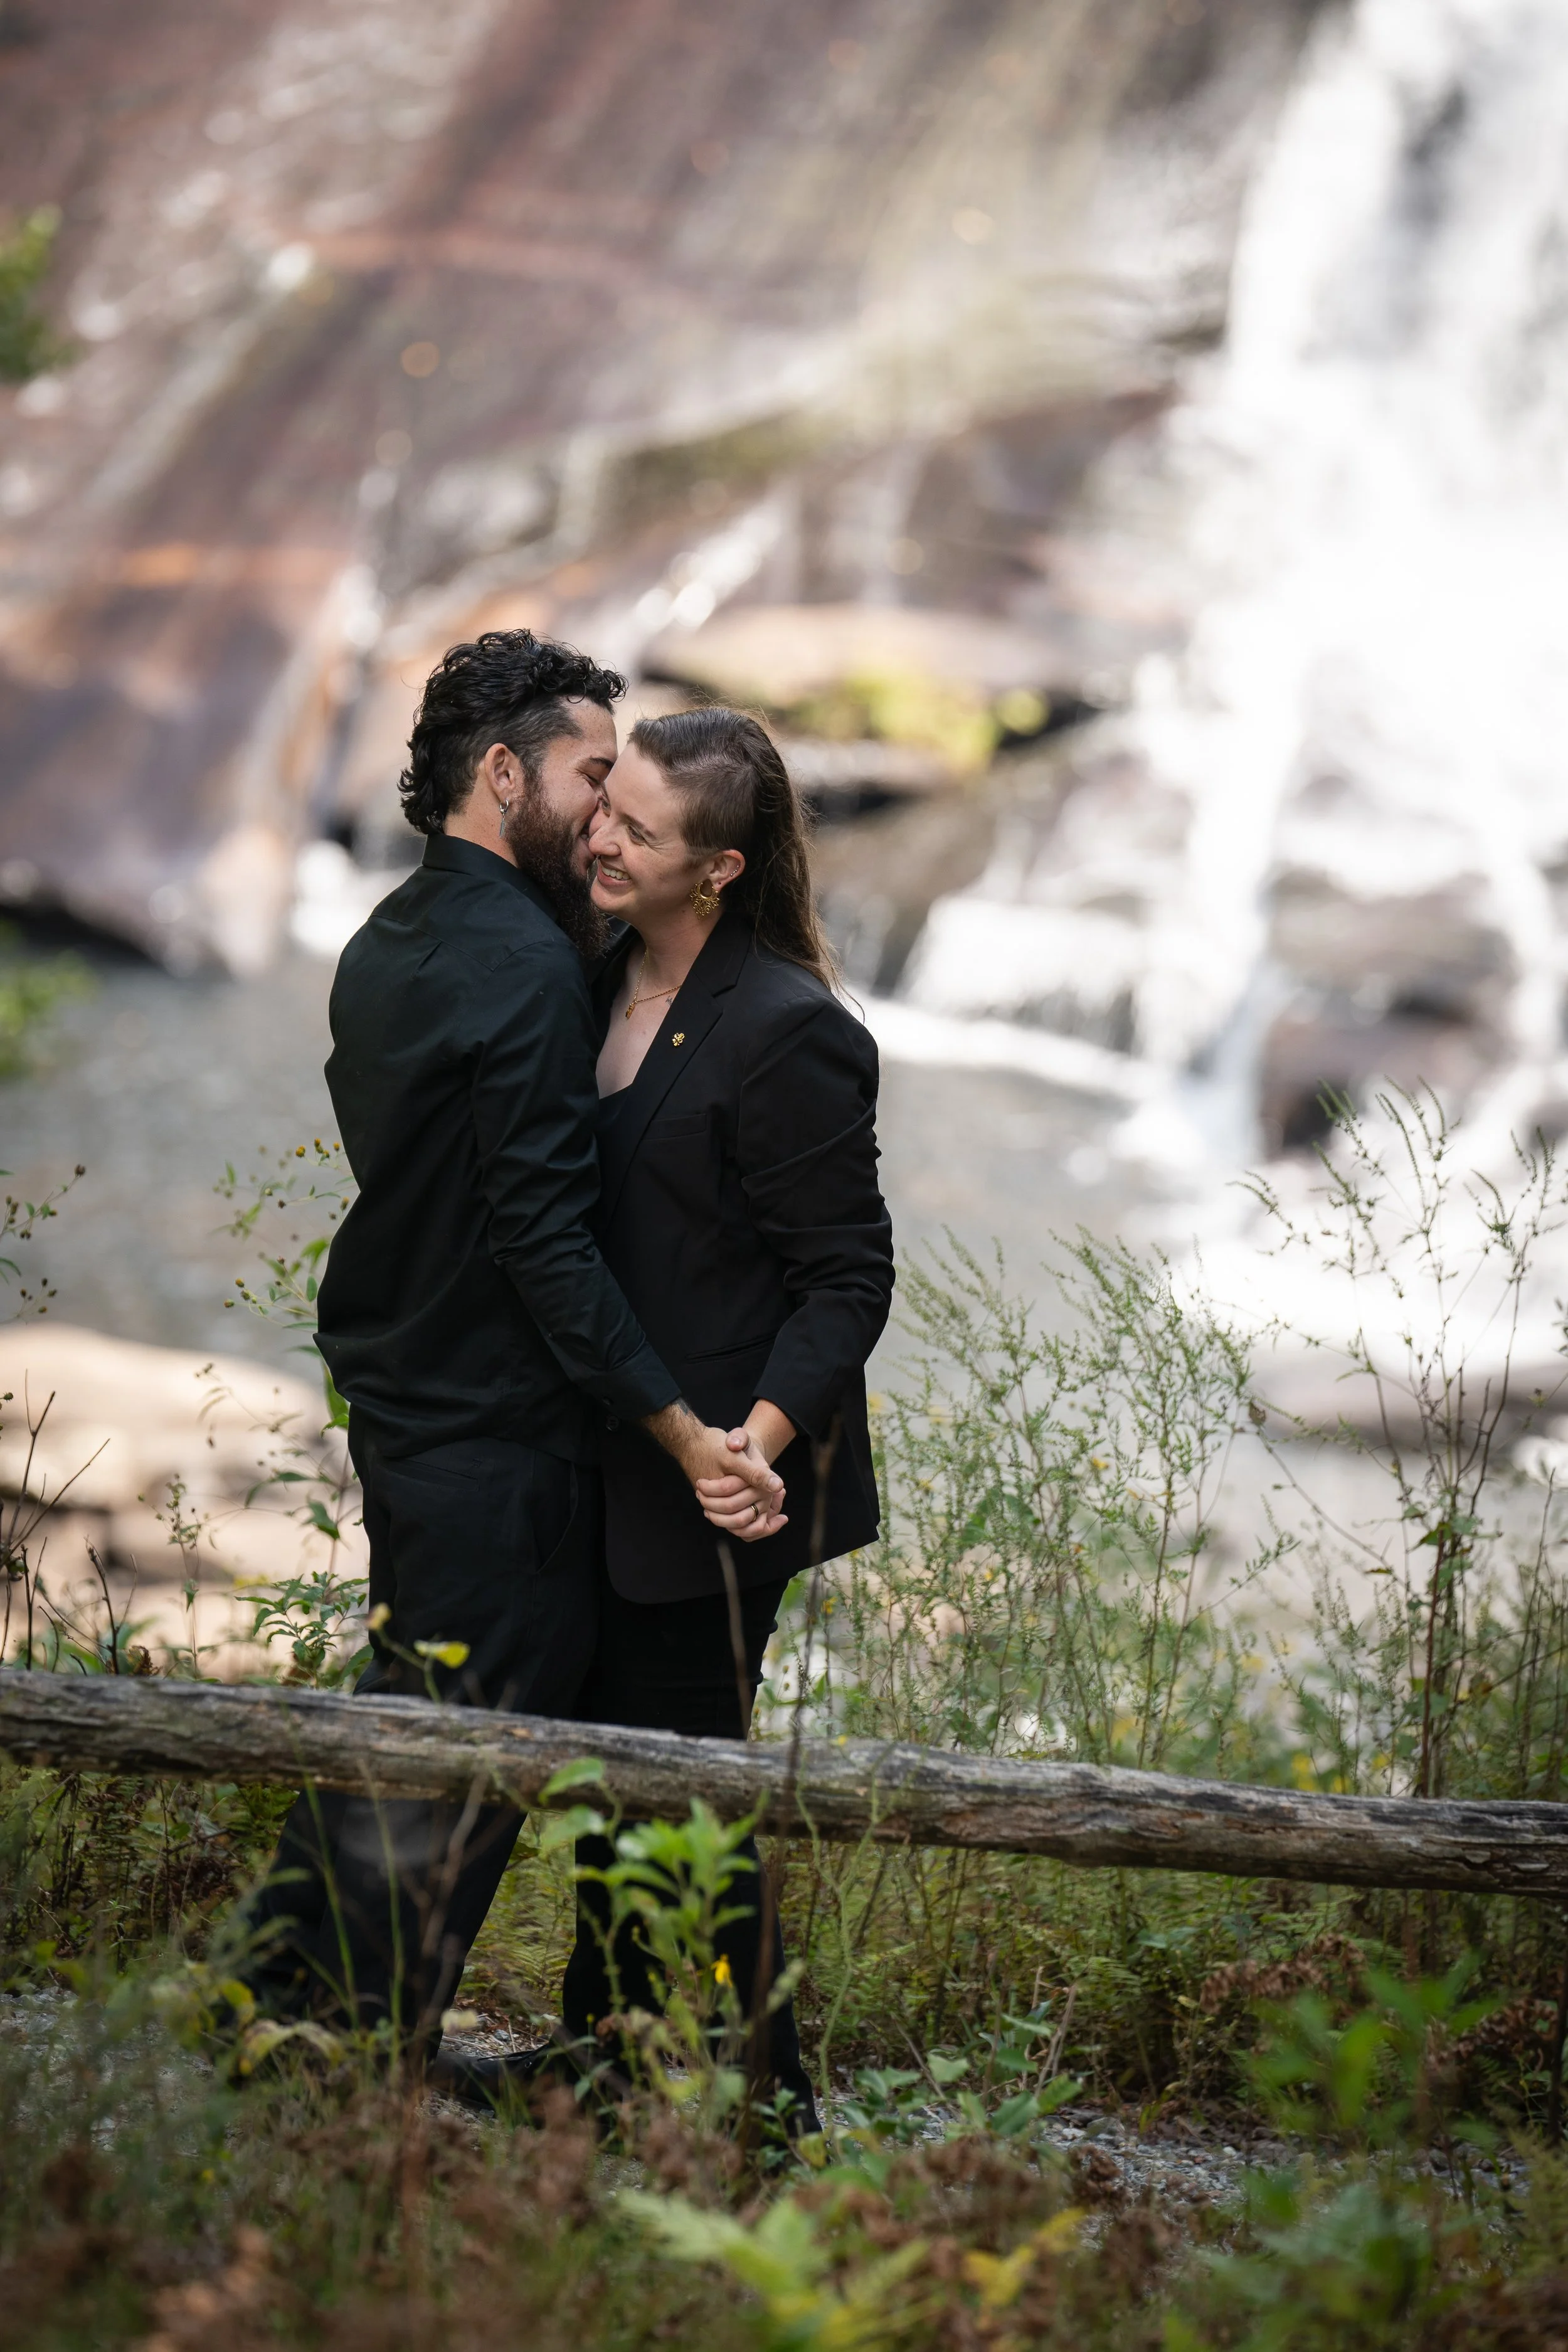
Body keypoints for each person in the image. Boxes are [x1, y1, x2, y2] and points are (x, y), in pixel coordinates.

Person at [243, 634, 785, 2062]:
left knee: (409, 1715)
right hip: (495, 1426)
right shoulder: (535, 973)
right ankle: (346, 2052)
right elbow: (543, 1238)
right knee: (459, 1752)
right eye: (593, 779)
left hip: (403, 1397)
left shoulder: (391, 937)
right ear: (503, 775)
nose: (609, 816)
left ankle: (283, 2016)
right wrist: (676, 1425)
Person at [559, 705, 896, 2131]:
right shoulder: (584, 976)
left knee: (694, 1814)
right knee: (608, 1787)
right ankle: (605, 2063)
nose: (599, 836)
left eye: (636, 828)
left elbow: (846, 1274)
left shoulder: (789, 1030)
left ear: (718, 869)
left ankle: (773, 2113)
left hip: (718, 1489)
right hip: (603, 1464)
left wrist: (752, 1442)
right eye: (604, 807)